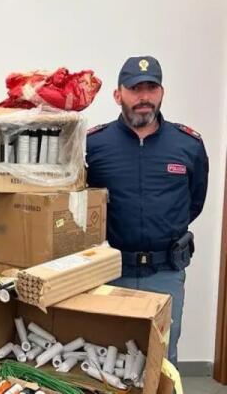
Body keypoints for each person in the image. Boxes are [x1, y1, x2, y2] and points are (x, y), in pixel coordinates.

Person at [86, 55, 208, 366]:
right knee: (107, 359)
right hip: (110, 273)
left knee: (161, 360)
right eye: (135, 89)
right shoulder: (94, 145)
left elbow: (194, 202)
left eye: (151, 88)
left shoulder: (188, 144)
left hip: (165, 273)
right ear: (118, 95)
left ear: (162, 92)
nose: (144, 97)